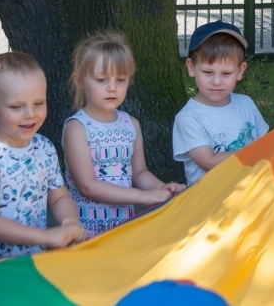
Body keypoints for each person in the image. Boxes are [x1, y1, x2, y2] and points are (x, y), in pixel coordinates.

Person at [62, 31, 185, 238]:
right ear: (80, 80)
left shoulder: (131, 125)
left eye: (120, 79)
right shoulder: (77, 128)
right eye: (101, 80)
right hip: (87, 234)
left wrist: (163, 189)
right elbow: (87, 186)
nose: (112, 88)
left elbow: (140, 173)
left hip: (123, 230)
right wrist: (143, 197)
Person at [0, 52, 87, 257]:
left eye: (39, 103)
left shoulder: (44, 148)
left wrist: (70, 223)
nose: (30, 114)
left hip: (34, 263)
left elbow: (59, 196)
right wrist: (44, 237)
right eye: (16, 106)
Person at [173, 21, 269, 185]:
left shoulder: (246, 104)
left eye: (226, 73)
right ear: (191, 67)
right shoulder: (188, 117)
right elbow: (208, 162)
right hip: (210, 197)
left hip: (251, 189)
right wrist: (255, 151)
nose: (216, 82)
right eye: (207, 72)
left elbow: (267, 143)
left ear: (240, 71)